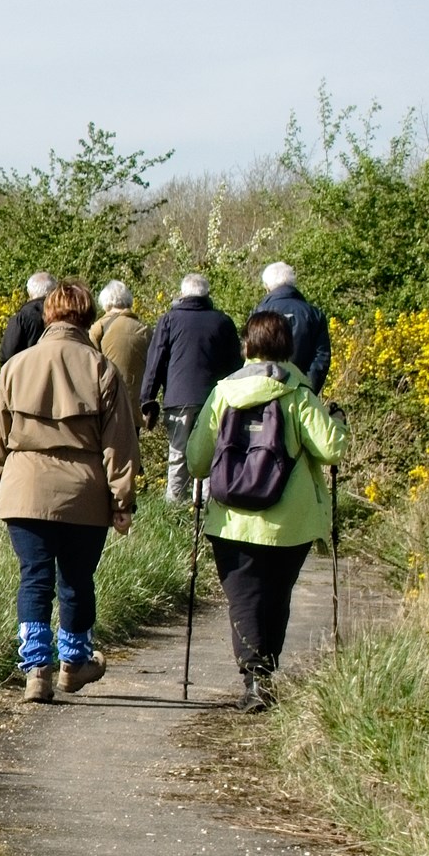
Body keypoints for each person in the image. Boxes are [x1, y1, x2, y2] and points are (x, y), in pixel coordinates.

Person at [0, 279, 141, 702]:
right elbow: (120, 443)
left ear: (48, 314)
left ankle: (37, 670)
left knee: (34, 579)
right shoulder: (101, 369)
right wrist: (122, 500)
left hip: (23, 490)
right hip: (84, 494)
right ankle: (73, 663)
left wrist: (2, 481)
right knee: (76, 580)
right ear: (88, 317)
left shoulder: (15, 366)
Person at [186, 310, 347, 711]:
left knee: (244, 598)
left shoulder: (223, 392)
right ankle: (265, 674)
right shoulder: (299, 392)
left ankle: (253, 678)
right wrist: (338, 421)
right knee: (277, 596)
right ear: (288, 347)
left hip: (231, 519)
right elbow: (331, 450)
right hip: (289, 521)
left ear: (248, 346)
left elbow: (196, 461)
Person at [138, 273, 243, 504]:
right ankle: (206, 504)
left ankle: (175, 503)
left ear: (183, 294)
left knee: (178, 454)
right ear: (207, 294)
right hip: (214, 399)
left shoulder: (169, 320)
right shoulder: (223, 321)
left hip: (178, 398)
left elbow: (155, 361)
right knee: (211, 452)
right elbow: (236, 365)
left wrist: (147, 398)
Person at [253, 261, 332, 392]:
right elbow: (321, 356)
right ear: (292, 283)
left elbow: (252, 356)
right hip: (303, 390)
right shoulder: (313, 313)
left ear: (266, 287)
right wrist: (308, 386)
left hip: (265, 389)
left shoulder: (258, 314)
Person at [0, 271, 58, 366]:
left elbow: (7, 354)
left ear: (30, 293)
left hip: (28, 373)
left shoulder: (21, 317)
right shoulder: (65, 314)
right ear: (54, 291)